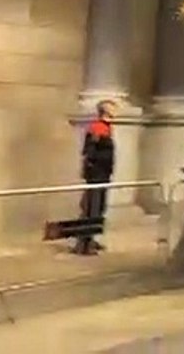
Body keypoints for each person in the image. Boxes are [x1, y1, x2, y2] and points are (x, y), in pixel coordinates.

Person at [75, 100, 116, 255]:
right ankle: (84, 243)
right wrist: (92, 169)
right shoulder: (97, 128)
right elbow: (90, 151)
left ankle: (90, 239)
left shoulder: (106, 128)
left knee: (98, 208)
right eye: (112, 109)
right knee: (92, 208)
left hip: (103, 174)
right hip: (96, 175)